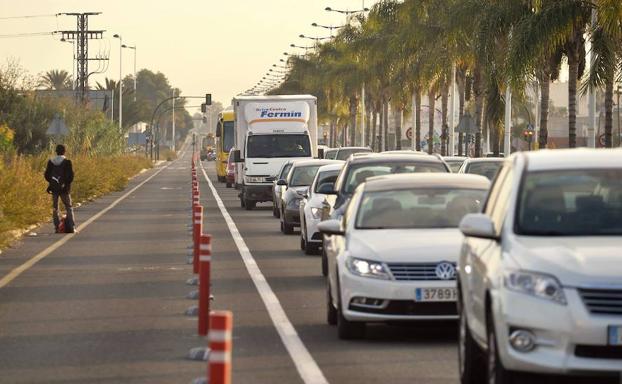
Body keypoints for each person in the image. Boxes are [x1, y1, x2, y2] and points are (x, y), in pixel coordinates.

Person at [44, 144, 75, 233]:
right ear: (64, 151)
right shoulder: (67, 162)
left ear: (56, 152)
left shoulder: (51, 162)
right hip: (65, 189)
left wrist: (53, 183)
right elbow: (70, 177)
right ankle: (71, 227)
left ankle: (57, 228)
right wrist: (65, 184)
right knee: (68, 207)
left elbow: (47, 175)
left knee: (55, 208)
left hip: (54, 189)